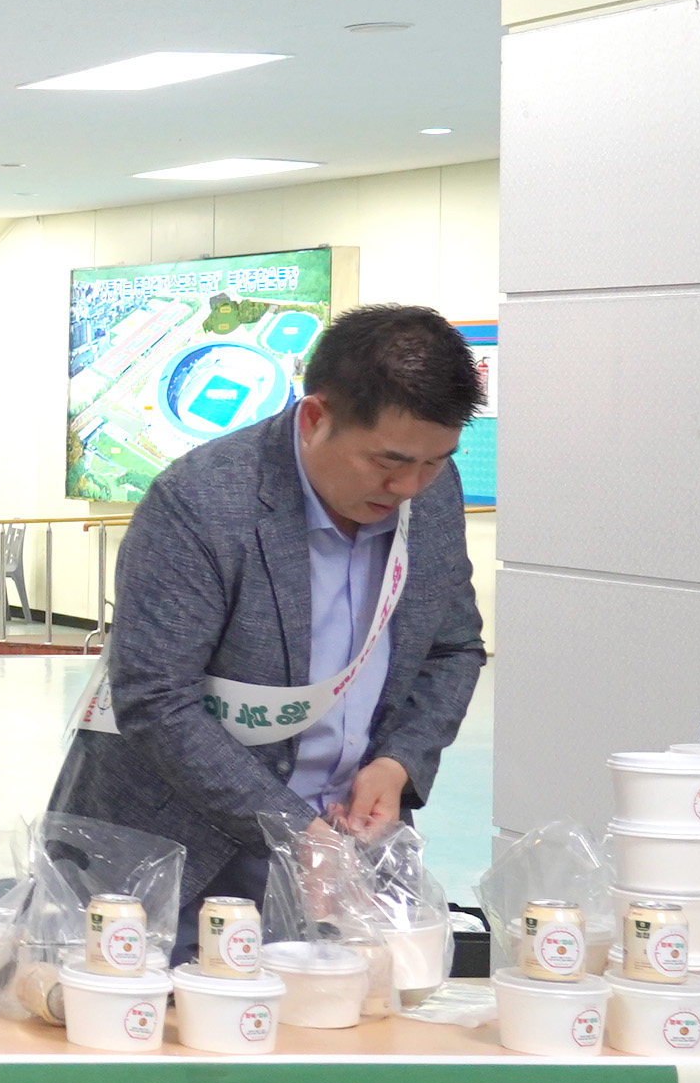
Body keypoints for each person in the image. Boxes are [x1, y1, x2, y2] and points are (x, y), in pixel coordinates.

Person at [49, 300, 488, 908]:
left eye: (434, 462)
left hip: (352, 843)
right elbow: (156, 698)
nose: (408, 486)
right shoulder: (201, 502)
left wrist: (397, 764)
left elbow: (454, 649)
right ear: (315, 418)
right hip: (180, 849)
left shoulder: (431, 497)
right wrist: (293, 829)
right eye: (388, 461)